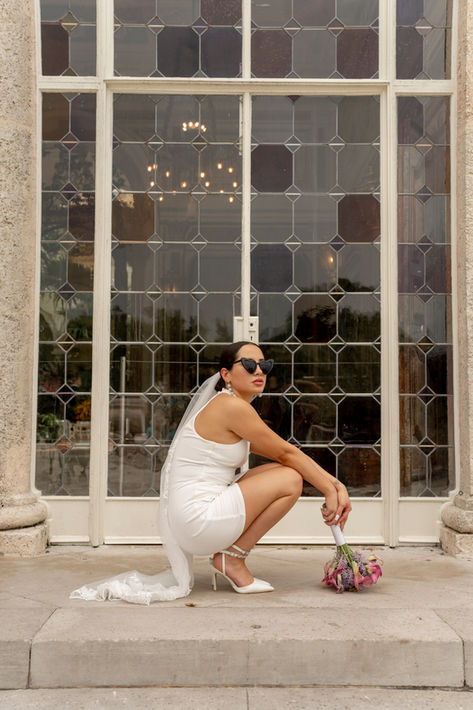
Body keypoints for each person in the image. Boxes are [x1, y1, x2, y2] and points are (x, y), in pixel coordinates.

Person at [70, 341, 352, 604]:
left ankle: (231, 558)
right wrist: (330, 490)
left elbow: (285, 455)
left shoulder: (229, 405)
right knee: (289, 478)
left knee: (284, 472)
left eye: (264, 365)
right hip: (199, 519)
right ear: (226, 374)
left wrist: (337, 486)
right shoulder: (231, 407)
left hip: (195, 515)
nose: (259, 372)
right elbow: (287, 453)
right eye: (249, 365)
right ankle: (233, 559)